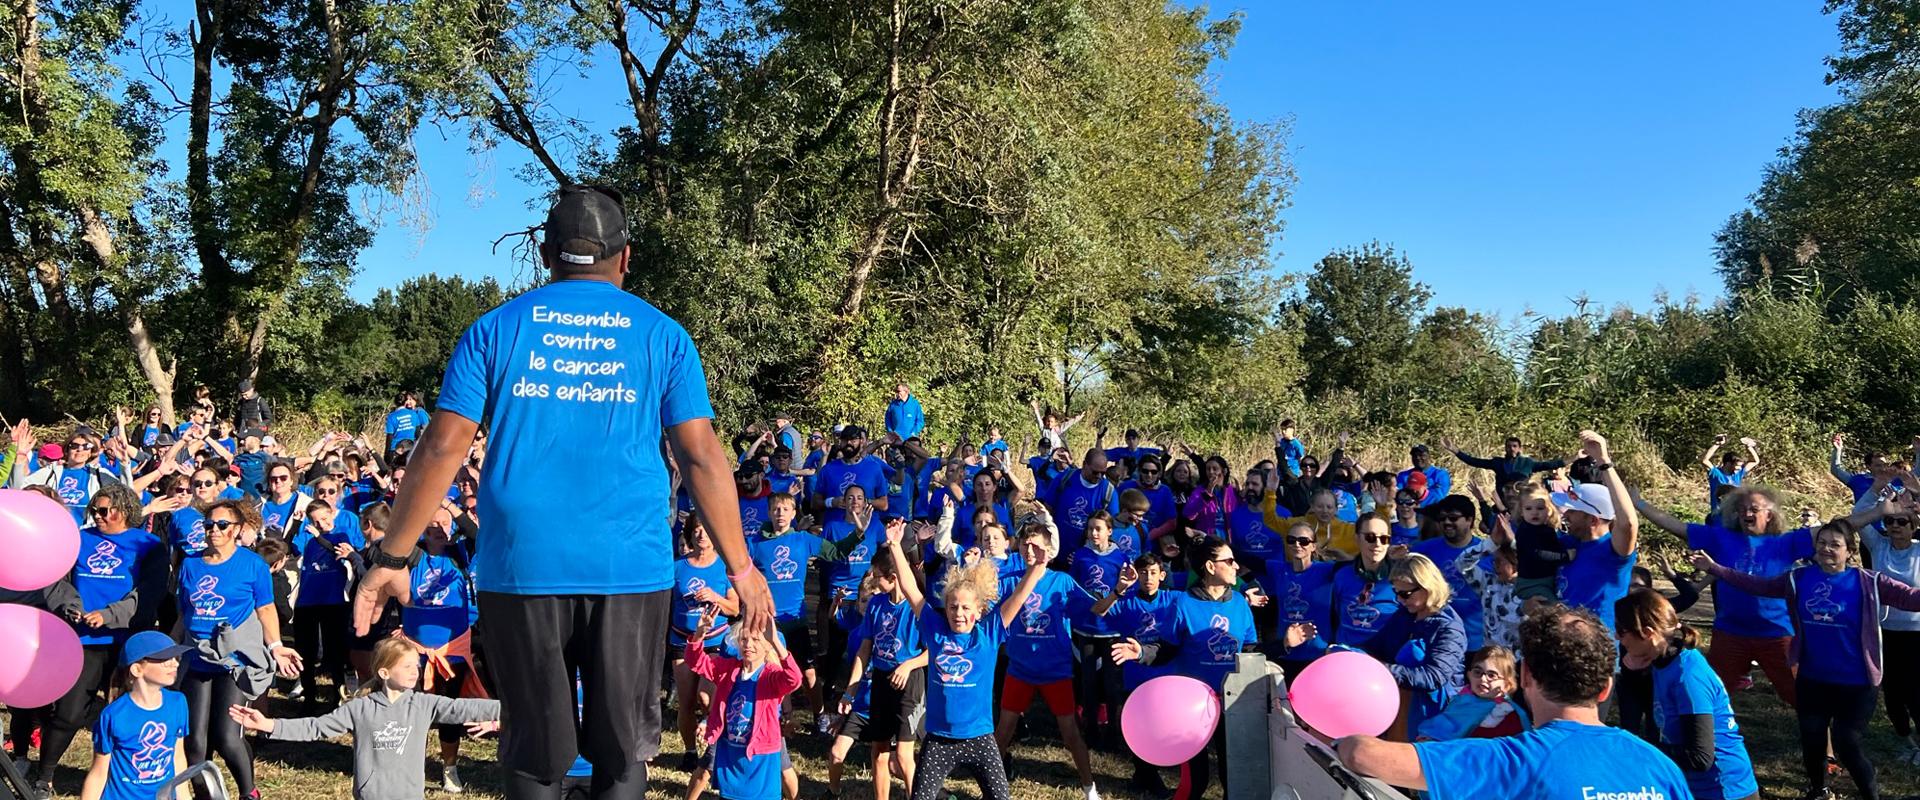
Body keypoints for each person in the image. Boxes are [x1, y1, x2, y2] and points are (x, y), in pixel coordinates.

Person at [353, 185, 774, 800]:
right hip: (629, 569)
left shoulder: (494, 329)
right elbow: (702, 455)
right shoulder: (663, 336)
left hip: (521, 569)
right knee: (622, 753)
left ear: (546, 254)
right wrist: (742, 568)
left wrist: (390, 560)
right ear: (625, 257)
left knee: (532, 752)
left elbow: (441, 448)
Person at [1338, 606, 1691, 800]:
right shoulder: (1660, 766)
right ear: (1605, 689)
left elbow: (1361, 754)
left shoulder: (1510, 760)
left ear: (1523, 678)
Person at [1691, 517, 1918, 800]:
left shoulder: (1868, 582)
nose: (1826, 549)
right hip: (1813, 678)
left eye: (1834, 545)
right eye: (1821, 543)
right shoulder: (1798, 579)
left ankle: (1871, 795)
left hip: (1857, 682)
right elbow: (1756, 585)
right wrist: (1714, 568)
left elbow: (1912, 598)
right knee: (1812, 740)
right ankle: (1819, 789)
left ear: (1849, 550)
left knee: (1847, 743)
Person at [1111, 535, 1299, 800]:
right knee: (1195, 783)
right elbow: (1168, 648)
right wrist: (1142, 651)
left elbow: (1249, 654)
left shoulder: (1240, 605)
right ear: (1211, 567)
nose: (1236, 566)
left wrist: (1284, 644)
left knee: (1232, 777)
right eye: (1230, 561)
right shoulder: (1184, 604)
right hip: (1192, 707)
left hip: (1233, 705)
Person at [884, 515, 1046, 800]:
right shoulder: (935, 630)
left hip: (980, 738)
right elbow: (911, 590)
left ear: (979, 610)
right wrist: (895, 546)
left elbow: (1018, 598)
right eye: (953, 607)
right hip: (939, 740)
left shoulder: (989, 633)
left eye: (965, 608)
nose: (959, 613)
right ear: (945, 609)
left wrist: (1037, 568)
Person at [1635, 484, 1839, 707]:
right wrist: (1638, 503)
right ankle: (1706, 740)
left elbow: (1840, 529)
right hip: (1730, 633)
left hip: (1777, 634)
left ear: (1769, 515)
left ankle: (1823, 743)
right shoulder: (1720, 537)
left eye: (1753, 509)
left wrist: (1877, 510)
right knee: (1709, 698)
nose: (1746, 514)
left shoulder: (1787, 542)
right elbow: (1676, 525)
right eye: (1741, 509)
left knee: (1804, 700)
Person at [228, 638, 501, 800]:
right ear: (384, 672)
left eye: (415, 667)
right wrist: (267, 725)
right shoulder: (360, 708)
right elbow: (316, 727)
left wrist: (510, 710)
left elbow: (464, 708)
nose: (414, 672)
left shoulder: (424, 704)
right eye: (406, 667)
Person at [30, 483, 169, 800]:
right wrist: (72, 608)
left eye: (104, 511)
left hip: (129, 643)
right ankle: (44, 777)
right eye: (94, 510)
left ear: (123, 511)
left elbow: (149, 594)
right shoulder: (79, 539)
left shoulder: (149, 545)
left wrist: (109, 615)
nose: (98, 516)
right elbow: (57, 580)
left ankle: (123, 778)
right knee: (69, 712)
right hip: (84, 640)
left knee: (127, 714)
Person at [174, 500, 302, 800]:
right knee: (195, 741)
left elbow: (266, 608)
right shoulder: (190, 564)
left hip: (235, 660)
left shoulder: (252, 564)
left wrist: (277, 647)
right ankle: (206, 796)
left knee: (226, 736)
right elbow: (184, 614)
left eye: (222, 525)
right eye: (209, 525)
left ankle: (249, 793)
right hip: (196, 657)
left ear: (237, 530)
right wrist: (169, 651)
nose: (214, 531)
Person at [995, 525, 1114, 800]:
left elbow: (1096, 608)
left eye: (1035, 545)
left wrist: (1118, 590)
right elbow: (991, 610)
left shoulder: (1061, 581)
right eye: (1025, 545)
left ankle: (1089, 788)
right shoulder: (1010, 580)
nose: (1029, 550)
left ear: (1048, 551)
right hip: (1020, 668)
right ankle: (994, 788)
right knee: (1003, 731)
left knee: (1070, 732)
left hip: (1055, 671)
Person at [1614, 588, 1759, 800]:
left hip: (1723, 791)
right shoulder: (1658, 662)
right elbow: (1649, 717)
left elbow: (1700, 757)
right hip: (1687, 787)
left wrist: (1639, 750)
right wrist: (1630, 675)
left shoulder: (1688, 677)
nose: (1617, 636)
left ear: (1647, 633)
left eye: (1621, 630)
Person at [683, 605, 802, 800]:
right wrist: (699, 634)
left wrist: (777, 643)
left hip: (761, 757)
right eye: (744, 639)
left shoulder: (770, 676)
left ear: (766, 646)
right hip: (731, 753)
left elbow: (794, 679)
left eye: (755, 640)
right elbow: (696, 661)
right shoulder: (728, 669)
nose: (748, 645)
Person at [842, 546, 924, 799]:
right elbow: (864, 650)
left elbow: (936, 651)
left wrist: (908, 664)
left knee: (903, 754)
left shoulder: (918, 607)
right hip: (881, 678)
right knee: (878, 749)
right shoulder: (876, 604)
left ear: (894, 577)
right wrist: (850, 691)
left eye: (878, 575)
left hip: (909, 681)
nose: (874, 580)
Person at [1362, 554, 1467, 737]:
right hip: (1400, 710)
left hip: (1432, 719)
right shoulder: (1404, 615)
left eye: (1405, 594)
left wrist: (1384, 670)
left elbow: (1434, 676)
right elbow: (1376, 646)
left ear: (1428, 588)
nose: (1400, 600)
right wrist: (1350, 653)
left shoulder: (1449, 628)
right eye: (1396, 593)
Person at [80, 630, 192, 800]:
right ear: (137, 669)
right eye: (164, 659)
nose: (174, 664)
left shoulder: (178, 703)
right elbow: (98, 772)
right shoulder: (114, 715)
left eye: (176, 658)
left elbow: (177, 756)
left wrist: (184, 796)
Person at [1550, 430, 1640, 638]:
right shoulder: (1568, 541)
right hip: (1561, 644)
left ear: (1593, 520)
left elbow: (1628, 523)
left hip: (1599, 649)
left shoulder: (1613, 552)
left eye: (1573, 511)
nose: (1566, 515)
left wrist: (1604, 462)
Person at [1862, 500, 1920, 762]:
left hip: (1917, 633)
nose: (1894, 526)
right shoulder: (1878, 546)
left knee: (1916, 692)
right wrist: (1878, 497)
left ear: (1914, 527)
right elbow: (1857, 518)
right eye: (1890, 522)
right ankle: (1906, 742)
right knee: (1893, 693)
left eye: (1901, 522)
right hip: (1884, 631)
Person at [1409, 494, 1491, 650]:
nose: (1447, 522)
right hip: (1434, 639)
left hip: (1475, 641)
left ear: (1470, 520)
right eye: (1442, 518)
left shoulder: (1486, 551)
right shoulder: (1422, 550)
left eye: (1453, 518)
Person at [1413, 645, 1529, 741]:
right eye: (1477, 672)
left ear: (1507, 685)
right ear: (1469, 675)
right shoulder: (1463, 700)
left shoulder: (1508, 715)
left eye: (1491, 675)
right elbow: (1446, 723)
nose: (1483, 679)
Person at [1446, 436, 1564, 496]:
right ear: (1505, 448)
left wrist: (1575, 457)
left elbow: (1550, 464)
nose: (1511, 448)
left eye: (1514, 446)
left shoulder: (1527, 463)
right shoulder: (1497, 463)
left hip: (1521, 499)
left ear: (1519, 448)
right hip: (1503, 499)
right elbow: (1474, 461)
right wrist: (1456, 451)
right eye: (1509, 446)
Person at [1700, 434, 1759, 512]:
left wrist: (1749, 447)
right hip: (1718, 516)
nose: (1739, 468)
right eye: (1737, 466)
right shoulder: (1716, 474)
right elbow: (1704, 460)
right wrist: (1717, 444)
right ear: (1728, 463)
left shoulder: (1738, 474)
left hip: (1734, 517)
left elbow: (1755, 461)